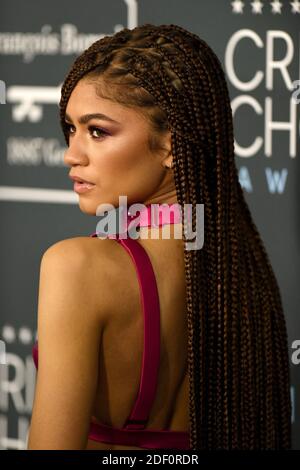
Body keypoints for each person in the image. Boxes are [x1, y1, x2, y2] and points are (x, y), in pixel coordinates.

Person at [27, 23, 291, 450]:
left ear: (170, 144)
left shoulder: (75, 266)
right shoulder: (242, 274)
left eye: (97, 131)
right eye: (71, 129)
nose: (71, 153)